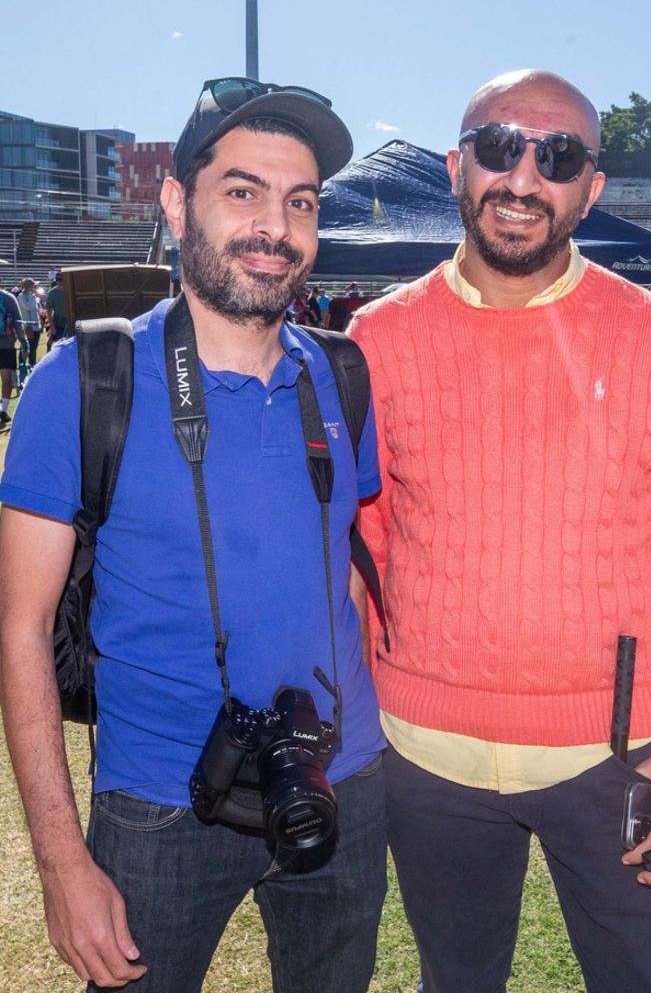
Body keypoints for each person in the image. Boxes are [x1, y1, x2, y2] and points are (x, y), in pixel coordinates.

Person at [348, 69, 651, 993]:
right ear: (458, 167)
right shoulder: (377, 336)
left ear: (590, 187)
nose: (524, 177)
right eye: (500, 147)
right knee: (456, 981)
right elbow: (363, 552)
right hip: (424, 760)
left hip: (618, 760)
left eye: (558, 155)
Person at [0, 77, 387, 993]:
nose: (275, 227)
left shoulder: (342, 373)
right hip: (157, 807)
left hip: (344, 781)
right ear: (177, 204)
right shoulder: (84, 379)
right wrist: (61, 865)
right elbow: (19, 627)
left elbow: (350, 569)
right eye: (243, 191)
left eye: (300, 202)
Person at [0, 278, 29, 423]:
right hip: (6, 343)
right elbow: (18, 322)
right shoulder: (9, 298)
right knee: (6, 379)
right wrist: (25, 344)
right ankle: (3, 410)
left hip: (6, 343)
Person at [16, 277, 43, 369]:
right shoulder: (21, 296)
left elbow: (37, 310)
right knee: (25, 348)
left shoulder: (34, 297)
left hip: (36, 327)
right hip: (27, 327)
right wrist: (33, 296)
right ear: (29, 287)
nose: (35, 287)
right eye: (33, 286)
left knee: (33, 348)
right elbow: (28, 307)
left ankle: (32, 365)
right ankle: (21, 365)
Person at [45, 272, 68, 347]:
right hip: (58, 322)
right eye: (58, 280)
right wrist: (52, 326)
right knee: (57, 345)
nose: (60, 282)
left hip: (71, 320)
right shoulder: (52, 293)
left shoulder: (70, 290)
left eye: (61, 280)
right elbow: (48, 310)